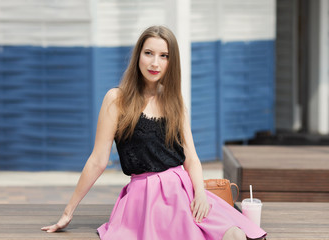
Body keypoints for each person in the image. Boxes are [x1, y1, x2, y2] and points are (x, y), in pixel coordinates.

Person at [41, 25, 267, 240]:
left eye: (164, 56)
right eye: (149, 53)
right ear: (138, 55)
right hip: (146, 197)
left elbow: (192, 159)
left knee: (236, 234)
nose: (155, 63)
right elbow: (97, 160)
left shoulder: (174, 102)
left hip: (185, 191)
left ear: (171, 61)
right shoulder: (116, 100)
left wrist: (199, 192)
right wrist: (68, 211)